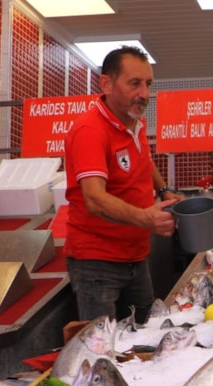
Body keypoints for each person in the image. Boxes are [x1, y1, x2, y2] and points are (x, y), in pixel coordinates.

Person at [64, 45, 182, 324]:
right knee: (103, 344)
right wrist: (146, 218)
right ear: (106, 83)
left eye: (148, 84)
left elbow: (144, 161)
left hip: (136, 256)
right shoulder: (90, 130)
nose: (145, 93)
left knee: (145, 333)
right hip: (98, 263)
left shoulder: (132, 122)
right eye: (134, 83)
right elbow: (94, 199)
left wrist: (163, 190)